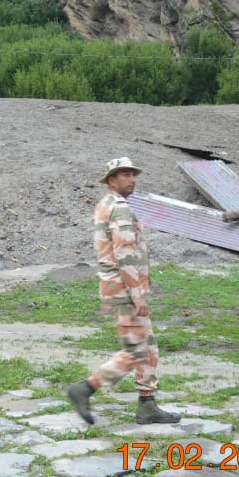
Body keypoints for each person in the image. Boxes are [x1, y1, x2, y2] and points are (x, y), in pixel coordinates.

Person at [67, 156, 180, 426]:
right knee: (137, 349)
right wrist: (137, 295)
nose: (132, 179)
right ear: (111, 180)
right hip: (125, 289)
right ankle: (86, 388)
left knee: (146, 345)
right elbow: (124, 254)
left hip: (118, 287)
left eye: (133, 174)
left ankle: (147, 403)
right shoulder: (119, 208)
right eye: (125, 175)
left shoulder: (106, 204)